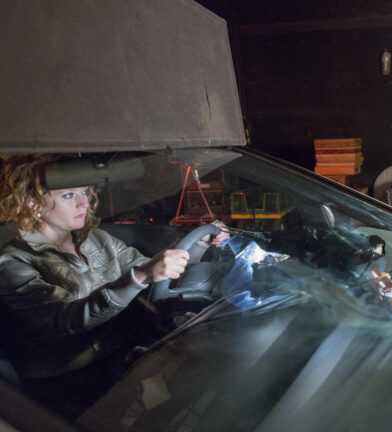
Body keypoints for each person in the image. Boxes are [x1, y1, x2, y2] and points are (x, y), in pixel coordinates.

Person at [0, 155, 228, 417]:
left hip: (119, 353)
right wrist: (140, 277)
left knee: (207, 362)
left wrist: (198, 244)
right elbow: (68, 319)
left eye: (84, 191)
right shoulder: (12, 261)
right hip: (70, 378)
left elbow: (155, 272)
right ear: (32, 203)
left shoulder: (94, 238)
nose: (84, 201)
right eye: (68, 195)